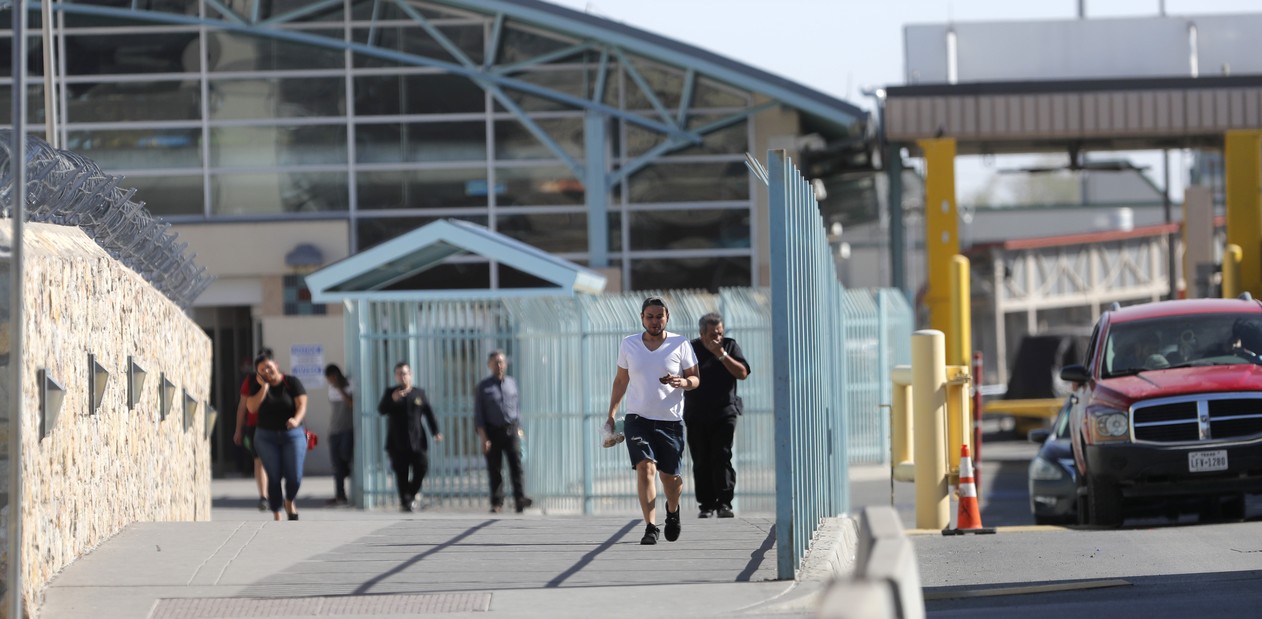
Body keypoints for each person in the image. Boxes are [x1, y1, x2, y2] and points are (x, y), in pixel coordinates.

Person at [605, 296, 699, 545]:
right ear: (642, 318)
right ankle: (650, 526)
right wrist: (611, 414)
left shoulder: (680, 343)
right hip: (638, 419)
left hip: (670, 421)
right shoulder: (629, 344)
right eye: (650, 316)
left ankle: (673, 511)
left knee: (670, 477)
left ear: (667, 317)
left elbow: (695, 379)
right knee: (645, 467)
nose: (655, 321)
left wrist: (682, 382)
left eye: (659, 316)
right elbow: (621, 381)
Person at [684, 312, 751, 519]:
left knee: (721, 456)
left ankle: (724, 503)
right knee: (701, 458)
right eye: (712, 334)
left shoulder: (729, 346)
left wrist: (721, 354)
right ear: (702, 334)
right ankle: (706, 504)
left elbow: (742, 373)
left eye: (720, 333)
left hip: (724, 412)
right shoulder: (691, 349)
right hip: (696, 414)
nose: (717, 338)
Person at [245, 350, 309, 521]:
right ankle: (276, 513)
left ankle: (289, 501)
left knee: (294, 476)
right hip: (266, 436)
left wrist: (296, 419)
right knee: (273, 476)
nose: (266, 371)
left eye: (268, 366)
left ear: (276, 365)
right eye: (261, 370)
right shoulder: (257, 386)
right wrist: (264, 387)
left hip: (292, 434)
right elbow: (251, 407)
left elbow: (302, 404)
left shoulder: (291, 382)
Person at [473, 350, 534, 514]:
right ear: (489, 365)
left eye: (501, 362)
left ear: (505, 364)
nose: (499, 365)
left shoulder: (512, 383)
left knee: (516, 465)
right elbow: (479, 415)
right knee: (495, 468)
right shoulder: (483, 387)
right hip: (492, 432)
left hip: (511, 430)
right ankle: (497, 502)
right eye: (495, 362)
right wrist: (484, 437)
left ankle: (519, 499)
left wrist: (520, 431)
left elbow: (517, 408)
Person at [378, 361, 443, 512]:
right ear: (395, 376)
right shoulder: (390, 392)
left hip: (417, 440)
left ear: (410, 375)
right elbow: (381, 410)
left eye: (405, 373)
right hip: (397, 441)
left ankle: (411, 494)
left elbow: (429, 414)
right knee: (401, 473)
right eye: (399, 374)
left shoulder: (419, 393)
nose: (402, 377)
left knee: (422, 467)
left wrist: (436, 432)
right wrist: (392, 399)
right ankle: (406, 502)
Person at [233, 348, 272, 511]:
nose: (266, 370)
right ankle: (263, 496)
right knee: (259, 461)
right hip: (255, 427)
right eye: (262, 367)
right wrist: (238, 430)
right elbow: (242, 407)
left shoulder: (280, 380)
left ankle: (271, 493)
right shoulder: (250, 381)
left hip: (275, 427)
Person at [324, 363, 354, 506]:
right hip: (334, 431)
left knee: (345, 455)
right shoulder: (330, 389)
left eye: (331, 378)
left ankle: (348, 471)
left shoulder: (349, 385)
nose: (330, 382)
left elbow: (351, 404)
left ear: (335, 376)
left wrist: (340, 389)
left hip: (346, 430)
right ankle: (340, 496)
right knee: (336, 466)